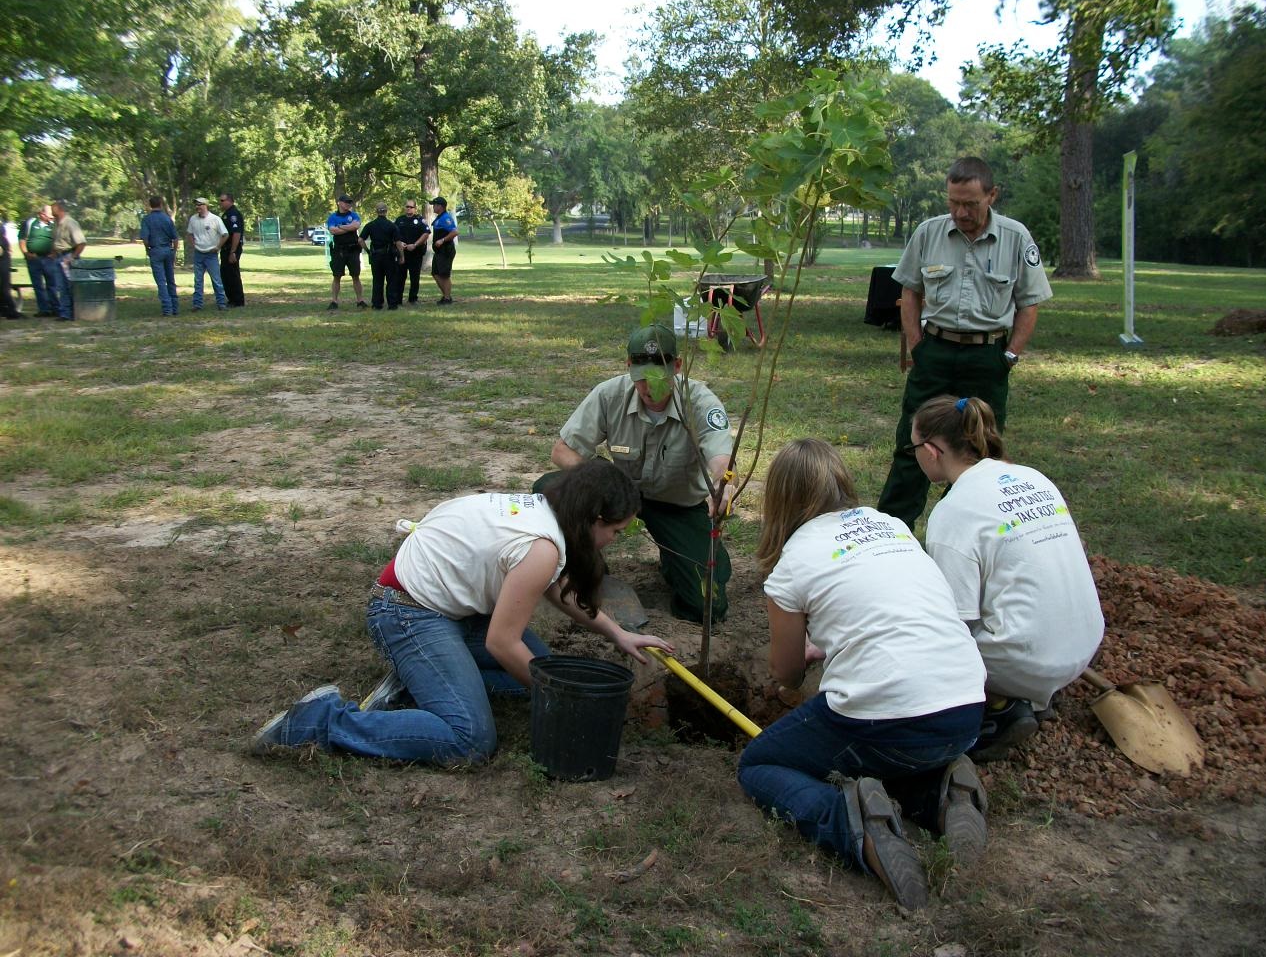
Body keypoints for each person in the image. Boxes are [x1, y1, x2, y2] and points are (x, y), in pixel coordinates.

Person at [251, 459, 673, 765]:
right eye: (616, 531)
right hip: (405, 613)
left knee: (540, 668)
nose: (616, 540)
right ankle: (320, 721)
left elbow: (556, 586)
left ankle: (419, 685)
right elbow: (501, 642)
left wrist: (617, 633)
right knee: (468, 738)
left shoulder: (543, 512)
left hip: (446, 610)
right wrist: (560, 700)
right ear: (594, 519)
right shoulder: (541, 547)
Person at [737, 438, 988, 910]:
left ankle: (851, 822)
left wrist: (806, 657)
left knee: (759, 764)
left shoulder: (794, 563)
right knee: (886, 749)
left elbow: (785, 674)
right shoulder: (891, 525)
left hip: (888, 716)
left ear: (779, 499)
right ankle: (942, 794)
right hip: (965, 708)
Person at [911, 394, 1104, 761]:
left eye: (914, 447)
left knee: (918, 643)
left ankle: (999, 708)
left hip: (1027, 658)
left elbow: (955, 623)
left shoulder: (953, 512)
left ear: (932, 450)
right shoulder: (1032, 477)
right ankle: (1034, 689)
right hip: (1084, 642)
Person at [877, 156, 1053, 530]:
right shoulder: (928, 232)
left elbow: (1029, 303)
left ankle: (960, 531)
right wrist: (917, 346)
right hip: (935, 354)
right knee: (913, 446)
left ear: (992, 195)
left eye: (970, 203)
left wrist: (1009, 356)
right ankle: (892, 535)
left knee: (978, 451)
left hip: (987, 358)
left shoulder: (1016, 237)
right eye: (953, 202)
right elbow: (910, 291)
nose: (960, 212)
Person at [538, 324, 734, 623]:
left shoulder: (700, 401)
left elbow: (721, 457)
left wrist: (721, 484)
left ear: (677, 366)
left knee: (706, 607)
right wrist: (604, 480)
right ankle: (585, 567)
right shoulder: (609, 394)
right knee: (549, 489)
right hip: (621, 494)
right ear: (629, 367)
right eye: (641, 378)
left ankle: (684, 560)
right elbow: (561, 451)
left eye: (659, 377)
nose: (649, 387)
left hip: (678, 505)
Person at [185, 197, 228, 312]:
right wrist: (194, 245)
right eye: (196, 205)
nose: (197, 207)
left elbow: (225, 234)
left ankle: (221, 303)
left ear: (205, 206)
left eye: (199, 204)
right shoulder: (193, 219)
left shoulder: (215, 219)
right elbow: (189, 234)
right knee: (198, 280)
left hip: (211, 254)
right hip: (199, 253)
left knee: (216, 280)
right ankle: (197, 304)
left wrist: (217, 247)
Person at [138, 195, 180, 316]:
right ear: (161, 204)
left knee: (161, 281)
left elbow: (145, 239)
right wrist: (174, 252)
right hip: (168, 249)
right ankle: (175, 307)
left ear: (150, 205)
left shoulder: (147, 219)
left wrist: (148, 249)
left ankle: (167, 309)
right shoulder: (167, 219)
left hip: (156, 250)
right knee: (171, 279)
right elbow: (175, 238)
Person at [358, 201, 402, 310]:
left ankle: (377, 304)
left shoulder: (370, 225)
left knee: (377, 280)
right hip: (389, 256)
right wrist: (402, 255)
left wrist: (368, 251)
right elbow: (398, 243)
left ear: (376, 211)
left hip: (375, 256)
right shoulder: (392, 226)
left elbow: (360, 240)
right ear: (386, 211)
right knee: (391, 280)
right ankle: (392, 304)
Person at [326, 194, 366, 310]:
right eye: (346, 202)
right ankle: (334, 301)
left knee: (356, 276)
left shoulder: (354, 215)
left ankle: (360, 300)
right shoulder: (333, 217)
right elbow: (332, 231)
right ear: (339, 202)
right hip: (339, 250)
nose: (348, 204)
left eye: (349, 202)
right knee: (336, 276)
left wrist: (341, 227)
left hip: (353, 250)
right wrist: (347, 227)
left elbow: (356, 226)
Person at [18, 204, 59, 317]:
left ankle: (55, 308)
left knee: (52, 284)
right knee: (37, 285)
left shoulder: (54, 225)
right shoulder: (30, 223)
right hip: (33, 258)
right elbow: (22, 239)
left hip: (48, 259)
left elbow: (58, 240)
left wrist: (54, 253)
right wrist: (26, 253)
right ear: (41, 214)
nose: (52, 218)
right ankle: (44, 309)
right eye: (49, 216)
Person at [50, 200, 87, 322]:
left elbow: (81, 243)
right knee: (61, 286)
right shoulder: (56, 224)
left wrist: (72, 257)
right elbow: (56, 241)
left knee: (71, 286)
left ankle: (74, 312)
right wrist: (54, 253)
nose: (51, 211)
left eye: (53, 208)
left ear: (60, 209)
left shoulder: (70, 223)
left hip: (68, 256)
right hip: (58, 257)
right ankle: (64, 313)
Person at [393, 198, 429, 304]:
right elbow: (393, 235)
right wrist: (400, 243)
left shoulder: (420, 220)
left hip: (415, 253)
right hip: (402, 253)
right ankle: (398, 299)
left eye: (411, 207)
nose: (408, 209)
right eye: (407, 207)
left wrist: (415, 244)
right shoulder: (399, 220)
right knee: (400, 277)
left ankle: (413, 299)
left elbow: (426, 233)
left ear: (415, 208)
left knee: (414, 278)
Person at [217, 192, 245, 307]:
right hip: (226, 249)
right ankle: (231, 299)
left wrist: (233, 252)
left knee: (232, 274)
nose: (220, 203)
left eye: (222, 201)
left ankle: (238, 300)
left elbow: (236, 234)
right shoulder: (226, 214)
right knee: (225, 274)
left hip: (232, 249)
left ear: (229, 201)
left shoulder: (233, 214)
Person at [428, 196, 457, 305]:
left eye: (434, 205)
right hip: (439, 251)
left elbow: (454, 232)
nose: (433, 207)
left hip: (446, 250)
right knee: (435, 273)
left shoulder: (446, 218)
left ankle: (447, 298)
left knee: (444, 275)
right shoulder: (439, 218)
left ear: (440, 206)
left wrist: (442, 240)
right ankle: (446, 295)